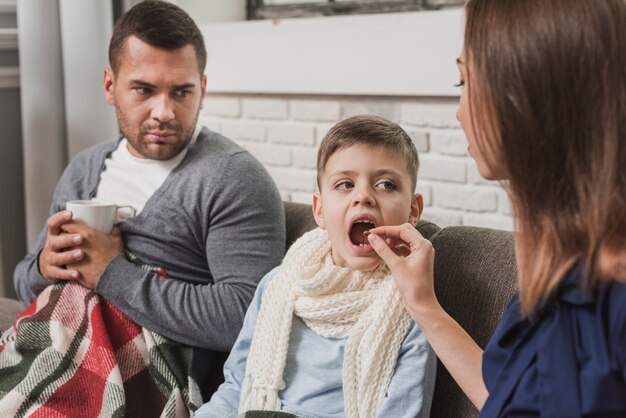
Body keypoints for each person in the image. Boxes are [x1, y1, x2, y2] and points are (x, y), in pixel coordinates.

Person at [12, 0, 285, 399]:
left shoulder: (232, 178)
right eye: (144, 89)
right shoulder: (84, 168)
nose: (164, 112)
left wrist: (111, 271)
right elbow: (23, 283)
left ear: (202, 90)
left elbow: (246, 314)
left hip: (145, 377)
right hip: (51, 346)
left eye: (181, 92)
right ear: (110, 86)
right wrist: (44, 266)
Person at [367, 0, 626, 416]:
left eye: (465, 82)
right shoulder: (557, 269)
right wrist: (423, 304)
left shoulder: (610, 306)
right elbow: (504, 394)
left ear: (527, 90)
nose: (459, 111)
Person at [196, 115, 437, 418]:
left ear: (413, 210)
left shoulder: (414, 308)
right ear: (320, 210)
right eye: (345, 184)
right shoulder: (278, 284)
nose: (363, 197)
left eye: (386, 184)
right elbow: (236, 387)